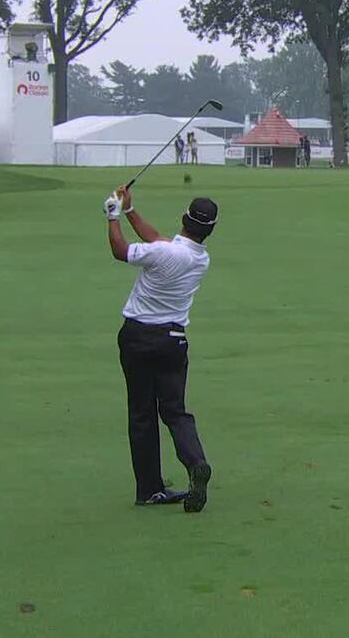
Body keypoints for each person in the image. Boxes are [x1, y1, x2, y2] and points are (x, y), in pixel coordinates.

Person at [104, 186, 217, 512]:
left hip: (138, 337)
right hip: (173, 341)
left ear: (184, 218)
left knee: (141, 412)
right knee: (174, 411)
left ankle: (150, 489)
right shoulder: (199, 257)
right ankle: (196, 462)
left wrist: (112, 215)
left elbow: (121, 250)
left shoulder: (165, 253)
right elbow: (159, 242)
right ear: (208, 229)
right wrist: (130, 210)